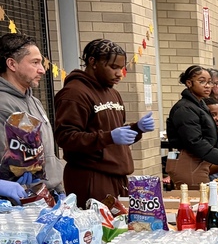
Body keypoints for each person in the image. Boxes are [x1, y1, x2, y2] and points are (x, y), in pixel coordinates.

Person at [54, 39, 156, 204]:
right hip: (91, 177)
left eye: (121, 68)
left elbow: (113, 132)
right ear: (93, 62)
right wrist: (109, 137)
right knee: (101, 229)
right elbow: (65, 137)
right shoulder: (74, 93)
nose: (119, 74)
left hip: (118, 176)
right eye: (113, 67)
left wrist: (137, 129)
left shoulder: (112, 93)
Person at [0, 33, 64, 196]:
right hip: (17, 201)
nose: (42, 70)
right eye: (35, 62)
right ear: (12, 64)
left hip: (46, 195)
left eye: (41, 63)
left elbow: (47, 152)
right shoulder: (2, 103)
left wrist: (59, 190)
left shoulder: (34, 101)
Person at [166, 65, 218, 188]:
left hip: (199, 161)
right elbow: (194, 141)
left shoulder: (200, 104)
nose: (208, 86)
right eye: (202, 81)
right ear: (189, 83)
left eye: (209, 82)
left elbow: (209, 136)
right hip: (188, 162)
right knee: (197, 200)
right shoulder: (185, 108)